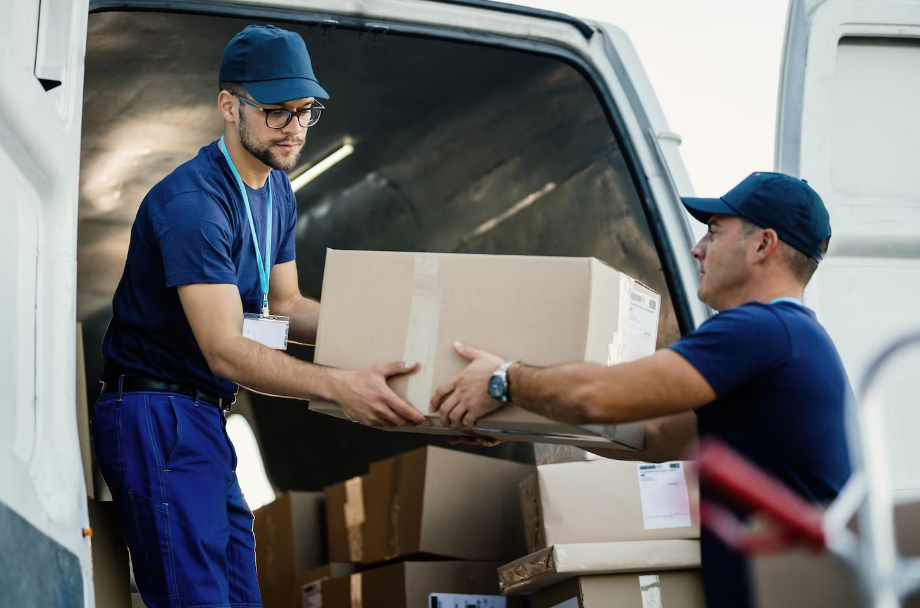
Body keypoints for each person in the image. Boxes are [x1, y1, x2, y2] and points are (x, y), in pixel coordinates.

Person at [91, 25, 425, 608]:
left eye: (305, 110)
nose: (294, 126)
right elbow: (225, 347)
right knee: (197, 597)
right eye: (276, 111)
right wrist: (341, 387)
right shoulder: (194, 205)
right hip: (158, 414)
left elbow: (288, 306)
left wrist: (398, 339)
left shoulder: (276, 190)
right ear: (228, 105)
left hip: (204, 417)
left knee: (242, 596)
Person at [431, 172, 852, 608]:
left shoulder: (761, 330)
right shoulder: (790, 339)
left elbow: (597, 396)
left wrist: (504, 379)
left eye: (713, 232)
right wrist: (518, 420)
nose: (697, 249)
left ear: (763, 245)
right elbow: (647, 437)